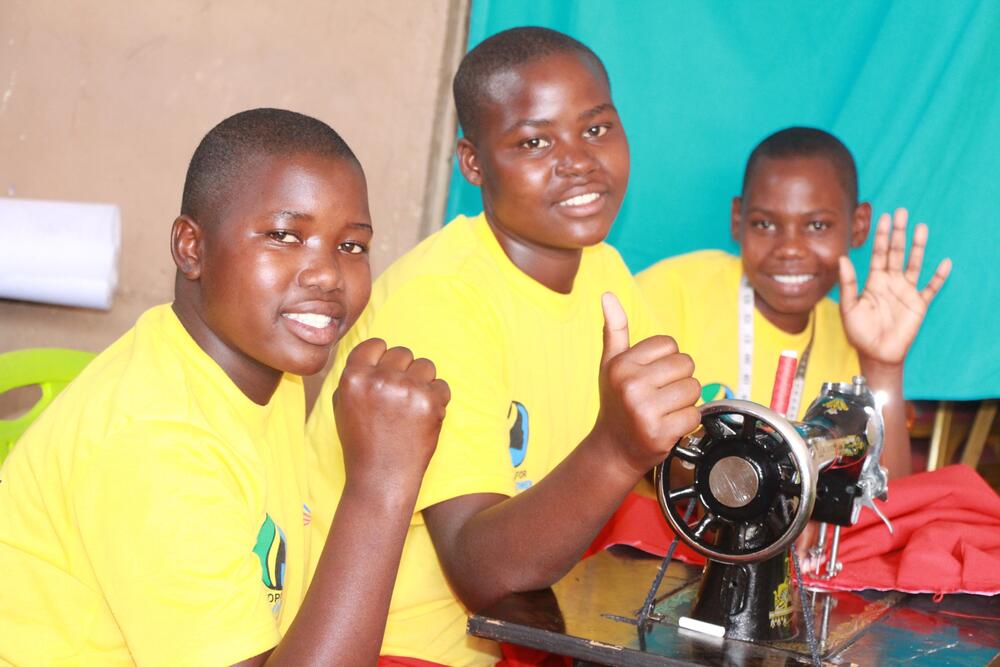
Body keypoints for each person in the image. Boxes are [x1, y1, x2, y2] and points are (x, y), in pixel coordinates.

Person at [305, 27, 701, 666]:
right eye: (535, 141)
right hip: (411, 650)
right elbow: (482, 573)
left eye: (596, 129)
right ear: (473, 162)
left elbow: (673, 457)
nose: (577, 160)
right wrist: (618, 446)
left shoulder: (605, 271)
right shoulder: (438, 302)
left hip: (542, 624)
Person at [0, 108, 450, 666]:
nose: (328, 274)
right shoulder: (157, 442)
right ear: (192, 248)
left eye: (351, 246)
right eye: (285, 236)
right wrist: (382, 483)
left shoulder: (269, 368)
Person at [637, 126, 951, 481]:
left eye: (817, 225)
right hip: (663, 529)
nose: (790, 249)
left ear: (858, 225)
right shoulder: (672, 291)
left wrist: (883, 366)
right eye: (765, 223)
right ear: (737, 219)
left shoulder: (858, 333)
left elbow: (886, 495)